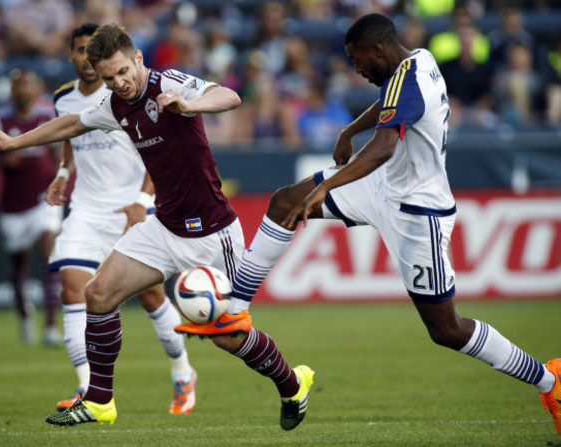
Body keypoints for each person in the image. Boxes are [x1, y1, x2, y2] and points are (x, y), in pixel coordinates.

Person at [175, 13, 561, 435]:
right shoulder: (417, 62)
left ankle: (551, 381)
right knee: (285, 201)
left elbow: (382, 145)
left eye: (356, 59)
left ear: (377, 49)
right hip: (382, 186)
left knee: (447, 329)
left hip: (417, 212)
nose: (355, 69)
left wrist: (328, 187)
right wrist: (349, 129)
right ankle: (236, 310)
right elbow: (390, 105)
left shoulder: (409, 77)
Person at [0, 23, 314, 430]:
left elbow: (228, 95)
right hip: (164, 227)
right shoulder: (114, 104)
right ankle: (100, 401)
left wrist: (191, 106)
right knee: (99, 294)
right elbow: (71, 125)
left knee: (228, 335)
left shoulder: (169, 82)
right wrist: (14, 143)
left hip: (213, 233)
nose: (118, 83)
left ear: (138, 58)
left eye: (123, 71)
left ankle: (293, 383)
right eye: (108, 77)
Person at [46, 23, 197, 415]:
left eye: (91, 51)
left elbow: (157, 149)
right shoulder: (63, 98)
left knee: (150, 295)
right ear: (74, 56)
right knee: (73, 291)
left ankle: (182, 372)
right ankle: (88, 390)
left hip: (133, 205)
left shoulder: (127, 93)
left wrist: (143, 200)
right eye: (79, 50)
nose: (86, 59)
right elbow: (70, 137)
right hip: (87, 209)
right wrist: (63, 174)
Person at [0, 69, 63, 346]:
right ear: (11, 92)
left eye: (27, 86)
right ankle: (24, 313)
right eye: (17, 87)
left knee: (49, 252)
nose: (23, 91)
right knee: (18, 265)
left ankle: (49, 326)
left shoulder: (48, 114)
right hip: (13, 205)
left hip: (42, 199)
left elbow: (61, 153)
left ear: (36, 90)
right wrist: (2, 161)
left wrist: (60, 176)